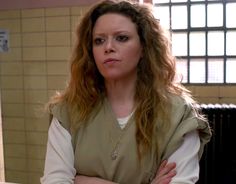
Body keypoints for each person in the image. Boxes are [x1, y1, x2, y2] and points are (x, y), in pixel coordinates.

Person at [40, 0, 212, 183]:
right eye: (99, 41)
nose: (108, 47)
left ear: (144, 47)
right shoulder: (68, 110)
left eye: (121, 38)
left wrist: (84, 181)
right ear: (90, 51)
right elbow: (55, 180)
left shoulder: (178, 115)